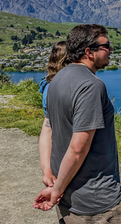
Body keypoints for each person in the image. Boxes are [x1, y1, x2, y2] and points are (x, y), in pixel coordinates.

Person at [33, 24, 121, 224]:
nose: (111, 50)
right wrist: (56, 190)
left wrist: (50, 175)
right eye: (106, 46)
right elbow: (78, 148)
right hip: (96, 203)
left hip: (69, 198)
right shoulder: (91, 85)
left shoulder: (57, 79)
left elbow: (47, 128)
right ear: (89, 52)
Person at [38, 41, 69, 188]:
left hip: (57, 153)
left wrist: (46, 169)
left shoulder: (48, 86)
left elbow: (47, 126)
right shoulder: (64, 88)